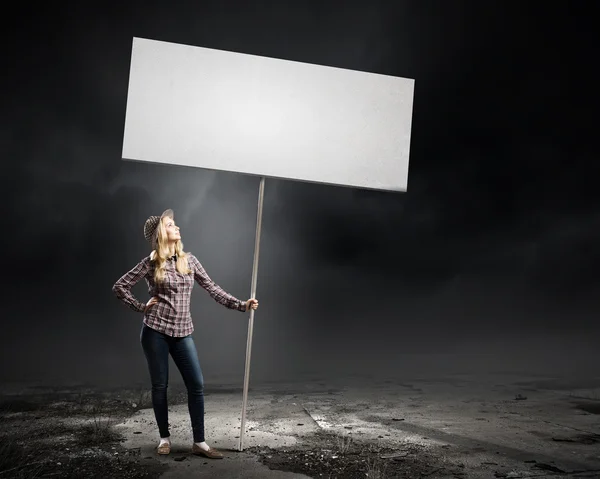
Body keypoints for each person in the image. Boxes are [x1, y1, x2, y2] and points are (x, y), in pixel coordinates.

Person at [112, 209, 259, 459]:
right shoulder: (150, 264)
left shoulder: (189, 260)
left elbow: (212, 288)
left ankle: (199, 442)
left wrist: (241, 304)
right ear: (161, 233)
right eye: (171, 224)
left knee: (196, 385)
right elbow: (120, 286)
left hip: (183, 332)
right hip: (155, 331)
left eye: (175, 223)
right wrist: (140, 306)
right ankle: (164, 439)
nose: (177, 227)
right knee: (160, 386)